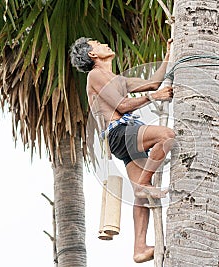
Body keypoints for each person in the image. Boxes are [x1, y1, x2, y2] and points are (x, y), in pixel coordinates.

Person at [70, 37, 175, 263]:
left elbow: (153, 83)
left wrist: (168, 54)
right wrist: (152, 98)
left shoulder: (118, 79)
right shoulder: (95, 75)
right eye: (97, 43)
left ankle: (139, 248)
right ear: (92, 55)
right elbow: (122, 105)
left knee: (144, 199)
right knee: (167, 135)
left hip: (126, 137)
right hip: (120, 133)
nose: (104, 44)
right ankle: (143, 184)